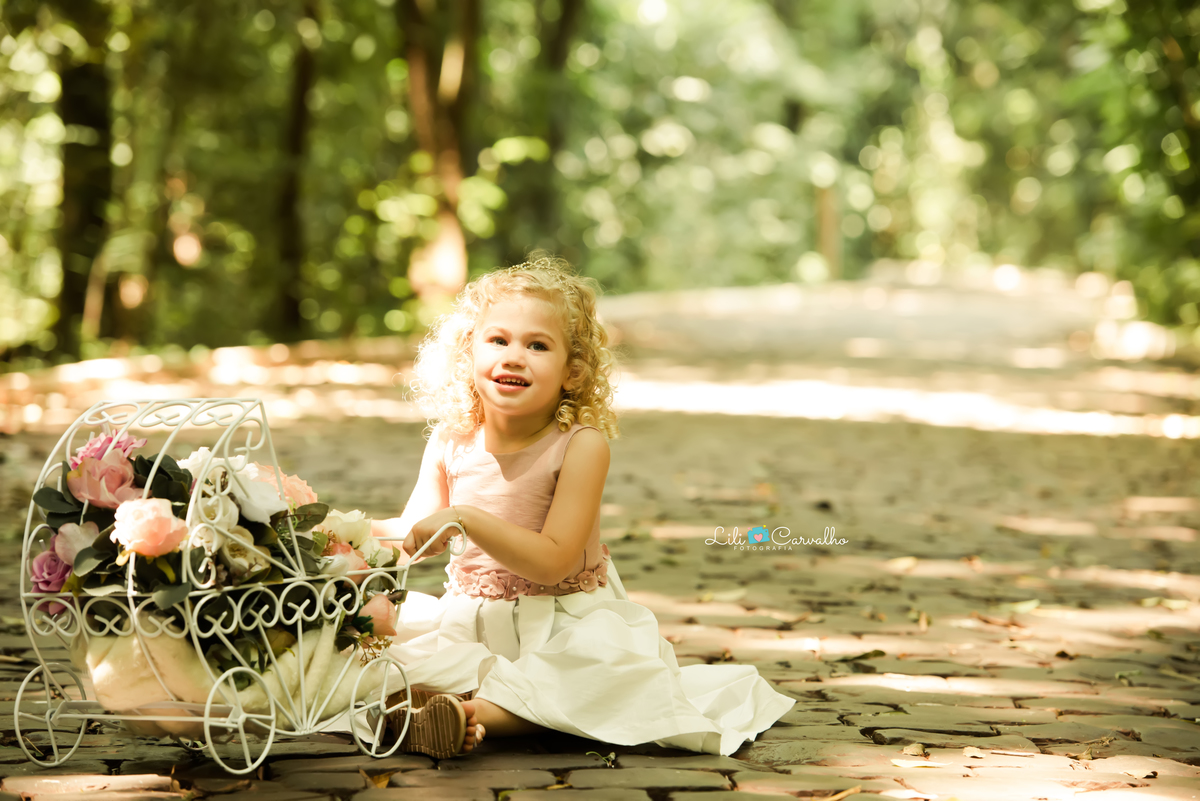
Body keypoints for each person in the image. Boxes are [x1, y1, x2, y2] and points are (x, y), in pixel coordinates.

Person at [370, 256, 794, 759]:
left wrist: (467, 518)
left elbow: (555, 561)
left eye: (537, 345)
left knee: (598, 674)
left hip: (564, 623)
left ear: (573, 373)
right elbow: (415, 534)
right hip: (472, 623)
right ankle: (418, 705)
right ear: (469, 355)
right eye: (498, 340)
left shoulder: (579, 446)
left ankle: (469, 715)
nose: (514, 356)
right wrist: (342, 532)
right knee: (379, 655)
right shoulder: (451, 441)